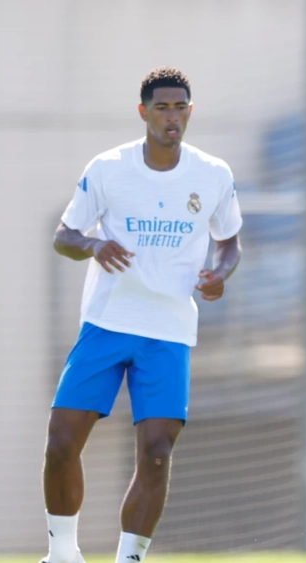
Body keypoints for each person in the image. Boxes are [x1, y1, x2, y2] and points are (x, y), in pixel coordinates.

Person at [41, 66, 243, 563]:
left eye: (180, 108)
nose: (171, 118)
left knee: (157, 452)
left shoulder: (213, 174)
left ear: (190, 113)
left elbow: (230, 241)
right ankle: (62, 553)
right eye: (161, 108)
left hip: (168, 332)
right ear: (143, 112)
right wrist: (92, 244)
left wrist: (220, 273)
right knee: (62, 442)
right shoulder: (109, 168)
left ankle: (129, 558)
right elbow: (63, 236)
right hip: (107, 324)